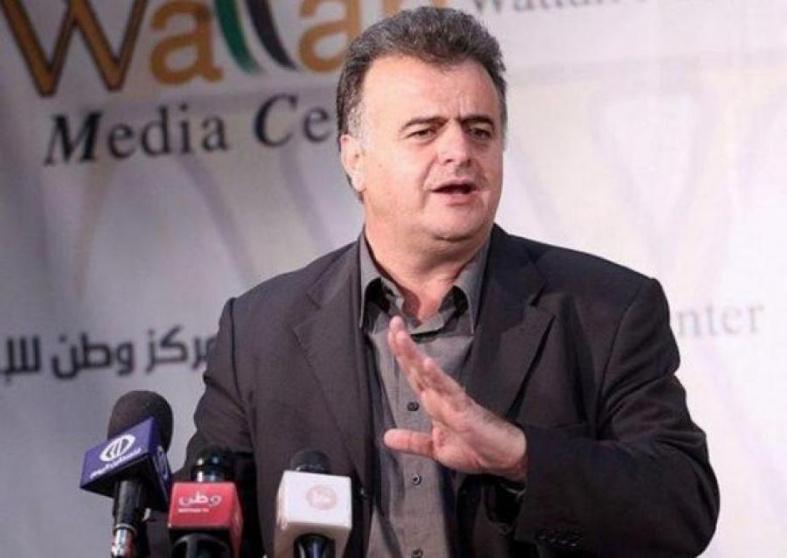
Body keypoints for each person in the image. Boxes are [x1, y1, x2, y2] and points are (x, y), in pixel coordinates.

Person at [153, 7, 719, 557]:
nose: (459, 152)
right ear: (355, 159)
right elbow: (204, 519)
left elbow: (681, 505)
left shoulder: (606, 310)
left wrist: (522, 458)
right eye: (424, 131)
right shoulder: (259, 331)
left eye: (479, 130)